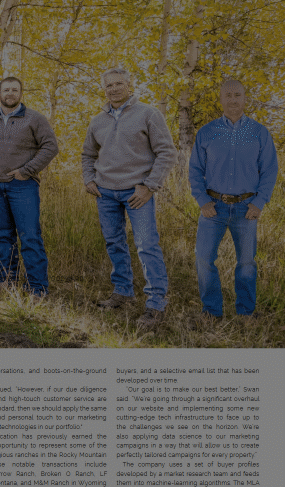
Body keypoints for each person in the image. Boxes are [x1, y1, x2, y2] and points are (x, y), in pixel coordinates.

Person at [82, 68, 177, 329]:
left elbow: (167, 153)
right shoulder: (97, 120)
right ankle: (122, 291)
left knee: (147, 245)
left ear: (129, 84)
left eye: (118, 84)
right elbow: (87, 154)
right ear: (104, 89)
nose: (113, 89)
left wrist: (149, 186)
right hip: (105, 193)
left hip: (138, 193)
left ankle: (157, 303)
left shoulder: (148, 114)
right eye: (108, 85)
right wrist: (89, 179)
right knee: (114, 243)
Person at [189, 79, 278, 322]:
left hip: (246, 208)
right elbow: (195, 169)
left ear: (245, 98)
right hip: (212, 208)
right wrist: (202, 200)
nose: (233, 99)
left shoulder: (259, 132)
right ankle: (211, 312)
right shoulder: (206, 132)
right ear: (221, 99)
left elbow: (269, 170)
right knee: (204, 258)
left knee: (247, 263)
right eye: (227, 95)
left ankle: (246, 314)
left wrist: (259, 203)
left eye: (237, 94)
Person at [0, 77, 58, 298]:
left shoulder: (34, 118)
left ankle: (38, 288)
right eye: (6, 89)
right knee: (3, 236)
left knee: (30, 236)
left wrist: (26, 171)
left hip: (23, 186)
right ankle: (7, 281)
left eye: (15, 90)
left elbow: (50, 147)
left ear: (21, 93)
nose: (10, 93)